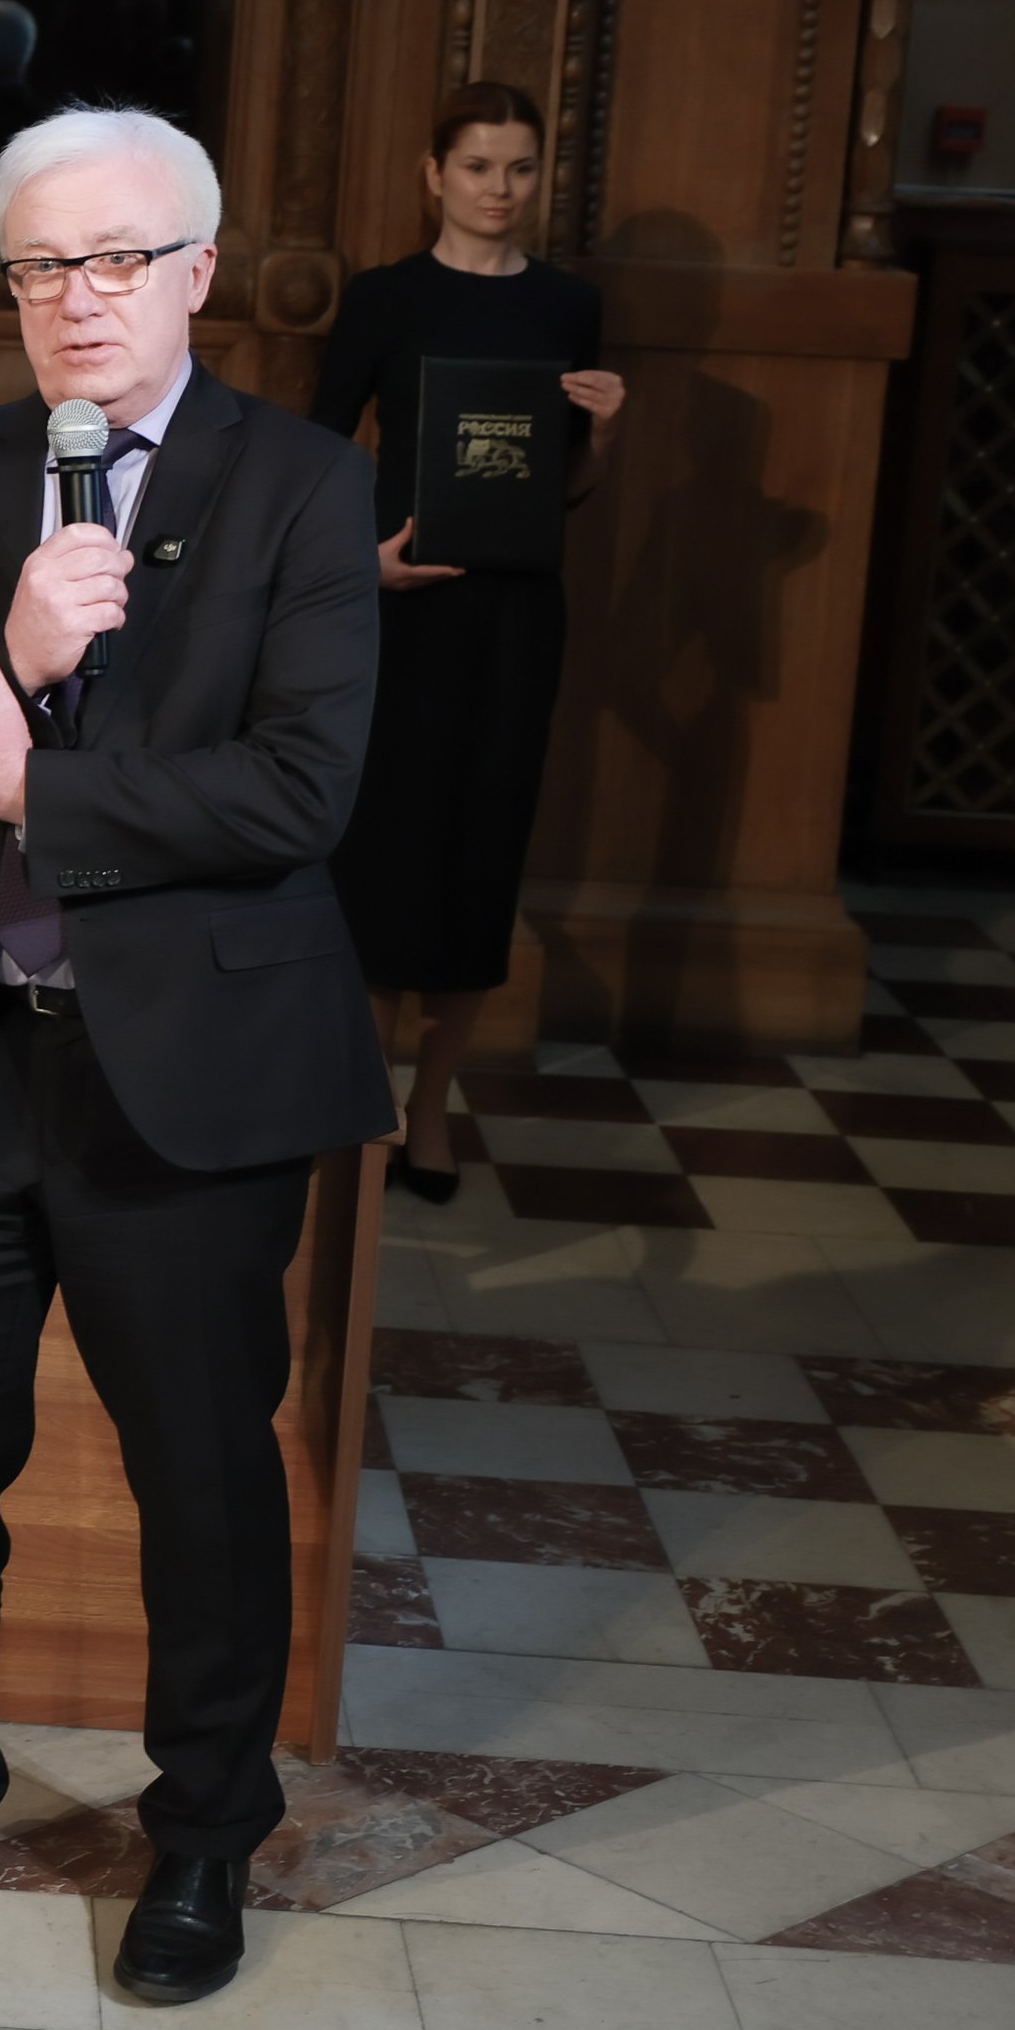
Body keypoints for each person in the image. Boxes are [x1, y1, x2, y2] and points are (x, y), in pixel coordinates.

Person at [0, 105, 393, 2006]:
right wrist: (12, 663)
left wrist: (33, 779)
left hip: (187, 1079)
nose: (78, 301)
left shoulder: (297, 488)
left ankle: (204, 1836)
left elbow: (300, 792)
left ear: (199, 269)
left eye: (118, 259)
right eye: (42, 266)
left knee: (204, 1478)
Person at [314, 82, 627, 1199]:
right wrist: (366, 562)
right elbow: (313, 459)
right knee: (384, 859)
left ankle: (431, 1116)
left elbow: (566, 492)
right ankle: (361, 1112)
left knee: (477, 863)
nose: (501, 189)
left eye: (522, 168)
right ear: (433, 173)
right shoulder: (384, 298)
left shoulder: (566, 306)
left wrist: (597, 435)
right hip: (398, 612)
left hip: (512, 622)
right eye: (480, 166)